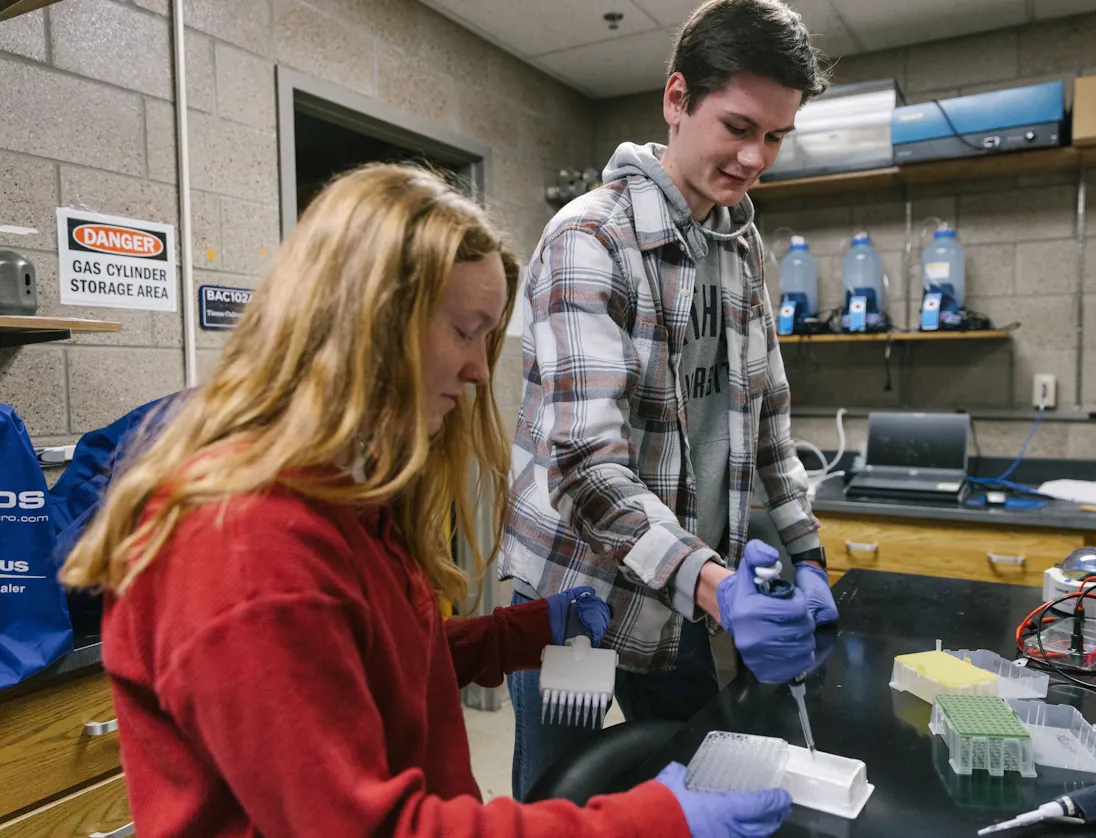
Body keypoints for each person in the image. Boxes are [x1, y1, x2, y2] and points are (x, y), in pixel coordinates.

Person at [58, 164, 792, 837]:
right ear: (368, 321)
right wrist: (652, 822)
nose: (479, 370)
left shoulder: (343, 498)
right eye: (465, 332)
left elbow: (370, 659)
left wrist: (521, 632)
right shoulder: (244, 545)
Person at [500, 0, 839, 799]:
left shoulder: (742, 245)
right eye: (739, 126)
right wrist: (719, 587)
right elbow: (586, 467)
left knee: (700, 781)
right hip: (573, 605)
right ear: (677, 99)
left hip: (683, 592)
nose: (756, 156)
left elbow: (770, 428)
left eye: (776, 137)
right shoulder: (591, 240)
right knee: (559, 804)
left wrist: (810, 557)